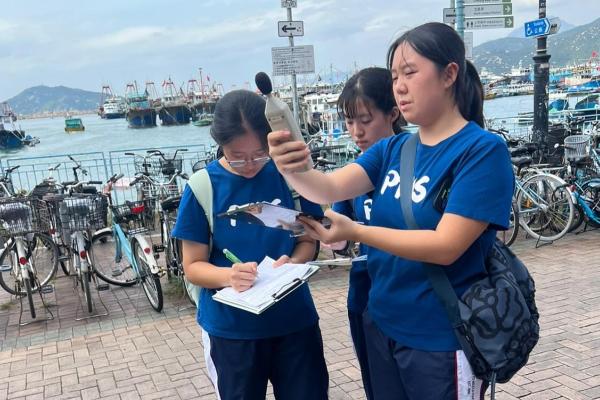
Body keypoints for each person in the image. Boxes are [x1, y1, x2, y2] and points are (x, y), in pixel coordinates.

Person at [267, 22, 513, 400]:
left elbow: (446, 246)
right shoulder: (392, 150)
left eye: (410, 72)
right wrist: (290, 166)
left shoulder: (482, 151)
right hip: (383, 325)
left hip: (441, 337)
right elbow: (327, 187)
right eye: (395, 75)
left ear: (449, 74)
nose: (399, 85)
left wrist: (356, 231)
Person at [172, 90, 329, 400]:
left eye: (259, 154)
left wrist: (294, 262)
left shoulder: (289, 176)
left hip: (294, 322)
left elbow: (308, 240)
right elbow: (193, 266)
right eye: (237, 155)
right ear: (220, 143)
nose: (249, 165)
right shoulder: (203, 186)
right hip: (232, 331)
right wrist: (229, 276)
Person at [326, 66, 405, 400]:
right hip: (366, 297)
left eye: (365, 120)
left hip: (413, 299)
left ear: (393, 113)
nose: (356, 131)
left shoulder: (416, 161)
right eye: (349, 121)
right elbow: (340, 239)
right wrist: (324, 232)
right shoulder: (351, 175)